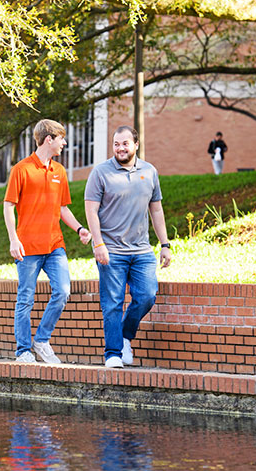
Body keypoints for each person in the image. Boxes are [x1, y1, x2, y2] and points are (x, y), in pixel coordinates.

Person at [4, 119, 92, 364]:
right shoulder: (21, 169)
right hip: (27, 246)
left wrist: (80, 229)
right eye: (61, 138)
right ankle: (23, 350)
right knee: (25, 299)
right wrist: (13, 239)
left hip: (55, 245)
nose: (64, 143)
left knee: (63, 291)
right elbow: (8, 205)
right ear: (48, 139)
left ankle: (41, 340)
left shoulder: (59, 171)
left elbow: (62, 207)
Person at [84, 126, 173, 368]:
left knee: (146, 296)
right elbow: (91, 210)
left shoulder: (149, 171)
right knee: (112, 302)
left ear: (136, 144)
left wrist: (164, 244)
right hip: (111, 251)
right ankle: (113, 353)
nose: (120, 148)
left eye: (125, 143)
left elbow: (156, 209)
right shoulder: (100, 173)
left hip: (142, 250)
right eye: (116, 144)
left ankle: (124, 336)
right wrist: (98, 242)